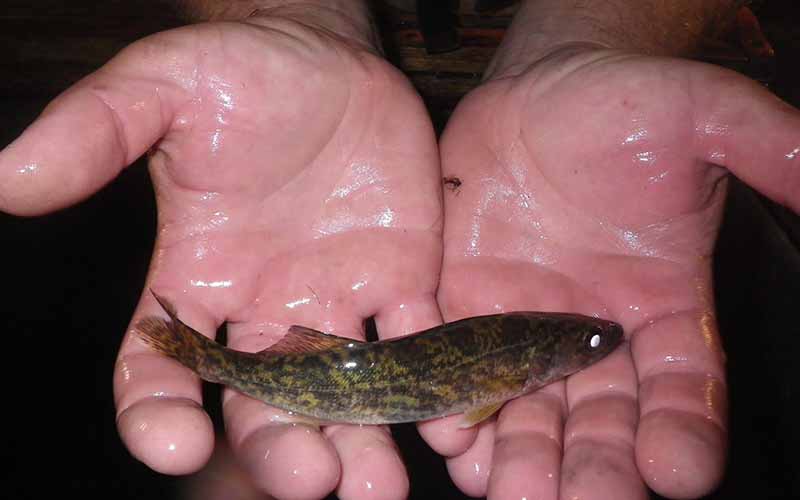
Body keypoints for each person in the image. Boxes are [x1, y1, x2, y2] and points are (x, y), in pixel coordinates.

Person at [0, 0, 797, 499]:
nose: (596, 340)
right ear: (537, 357)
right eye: (586, 340)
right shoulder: (521, 357)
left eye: (587, 338)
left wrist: (600, 30)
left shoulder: (519, 352)